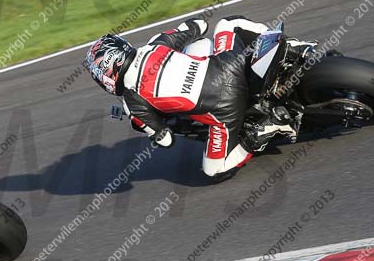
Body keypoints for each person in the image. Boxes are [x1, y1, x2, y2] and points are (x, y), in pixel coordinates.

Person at [87, 15, 304, 179]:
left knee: (214, 170)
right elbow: (199, 25)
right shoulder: (154, 44)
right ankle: (286, 44)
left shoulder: (132, 102)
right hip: (229, 64)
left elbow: (165, 138)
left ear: (106, 76)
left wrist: (151, 130)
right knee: (227, 23)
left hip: (225, 108)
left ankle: (268, 127)